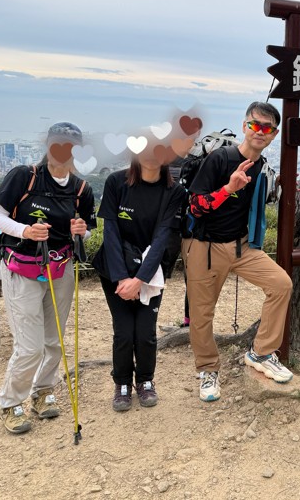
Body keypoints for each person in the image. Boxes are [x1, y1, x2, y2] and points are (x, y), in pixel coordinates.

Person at [0, 122, 96, 435]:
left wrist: (82, 231)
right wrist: (25, 231)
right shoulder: (25, 176)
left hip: (59, 268)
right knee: (30, 345)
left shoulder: (81, 189)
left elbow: (87, 226)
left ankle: (43, 390)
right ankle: (10, 401)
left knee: (54, 339)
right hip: (21, 267)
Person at [182, 101, 292, 402]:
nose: (260, 132)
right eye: (255, 125)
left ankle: (261, 353)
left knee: (281, 284)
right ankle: (207, 370)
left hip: (243, 246)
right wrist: (228, 189)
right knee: (202, 314)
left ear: (274, 134)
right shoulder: (220, 159)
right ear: (245, 126)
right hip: (204, 246)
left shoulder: (262, 167)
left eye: (267, 128)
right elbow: (195, 206)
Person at [92, 149, 186, 412]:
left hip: (151, 272)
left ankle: (145, 380)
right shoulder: (116, 183)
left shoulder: (175, 192)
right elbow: (109, 232)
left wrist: (140, 280)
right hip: (114, 269)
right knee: (123, 332)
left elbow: (162, 239)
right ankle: (122, 382)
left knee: (145, 333)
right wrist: (122, 277)